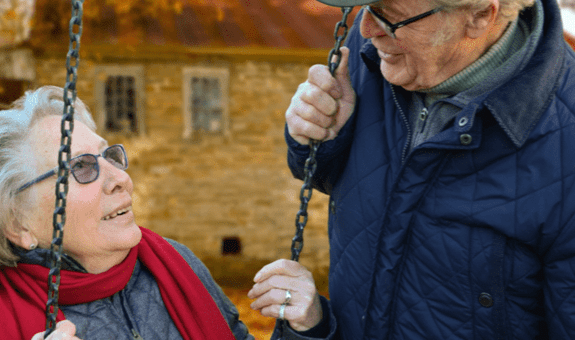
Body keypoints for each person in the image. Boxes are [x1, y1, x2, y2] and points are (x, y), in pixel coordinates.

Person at [283, 0, 575, 339]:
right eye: (364, 4)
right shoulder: (372, 57)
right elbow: (336, 181)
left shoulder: (566, 145)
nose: (366, 30)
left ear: (479, 16)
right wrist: (318, 137)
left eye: (389, 14)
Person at [0, 86, 337, 340]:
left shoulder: (174, 263)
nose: (121, 179)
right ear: (19, 224)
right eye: (82, 168)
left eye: (110, 157)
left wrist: (306, 328)